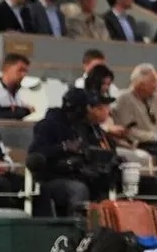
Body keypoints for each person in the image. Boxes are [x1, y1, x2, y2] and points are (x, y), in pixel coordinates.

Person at [26, 87, 121, 217]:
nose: (89, 110)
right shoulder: (48, 124)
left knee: (104, 184)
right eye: (87, 107)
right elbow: (36, 153)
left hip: (79, 173)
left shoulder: (82, 127)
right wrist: (63, 147)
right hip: (53, 177)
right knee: (78, 189)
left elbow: (90, 150)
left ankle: (102, 224)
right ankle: (77, 224)